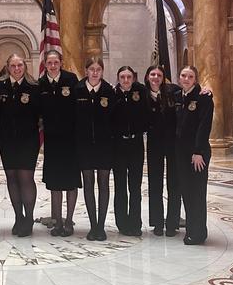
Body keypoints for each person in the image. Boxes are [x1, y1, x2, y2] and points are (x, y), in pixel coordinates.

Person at [0, 53, 40, 236]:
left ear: (25, 66)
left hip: (28, 140)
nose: (16, 69)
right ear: (8, 67)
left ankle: (28, 218)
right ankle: (18, 217)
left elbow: (41, 112)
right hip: (7, 139)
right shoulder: (0, 87)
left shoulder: (34, 87)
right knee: (11, 178)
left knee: (26, 178)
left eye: (20, 65)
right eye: (13, 66)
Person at [39, 49, 80, 237]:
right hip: (53, 142)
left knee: (71, 182)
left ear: (61, 63)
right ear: (45, 64)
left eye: (56, 62)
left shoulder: (71, 80)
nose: (53, 66)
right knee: (55, 183)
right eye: (49, 63)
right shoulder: (41, 84)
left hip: (71, 140)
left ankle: (69, 221)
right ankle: (57, 222)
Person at [74, 56, 115, 241]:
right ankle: (92, 225)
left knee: (104, 184)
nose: (95, 72)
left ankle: (101, 225)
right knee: (88, 185)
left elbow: (115, 118)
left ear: (102, 71)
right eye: (92, 69)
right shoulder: (78, 90)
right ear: (86, 71)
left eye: (98, 69)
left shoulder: (109, 91)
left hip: (105, 146)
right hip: (84, 146)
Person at [174, 65, 214, 245]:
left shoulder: (203, 98)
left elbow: (204, 126)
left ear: (195, 79)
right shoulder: (178, 96)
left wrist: (198, 151)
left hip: (197, 153)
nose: (186, 79)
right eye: (183, 75)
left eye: (190, 76)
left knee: (197, 193)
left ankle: (198, 233)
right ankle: (191, 229)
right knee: (187, 192)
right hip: (182, 154)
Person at [111, 66, 148, 237]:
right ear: (118, 78)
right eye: (122, 77)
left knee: (135, 186)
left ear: (133, 78)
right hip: (118, 146)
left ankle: (135, 222)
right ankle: (122, 223)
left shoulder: (141, 92)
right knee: (120, 186)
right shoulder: (112, 94)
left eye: (129, 77)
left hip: (136, 144)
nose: (126, 80)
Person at [144, 65, 180, 237]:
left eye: (159, 74)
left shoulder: (173, 91)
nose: (155, 77)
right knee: (155, 184)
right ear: (147, 77)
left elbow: (193, 91)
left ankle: (172, 222)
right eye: (152, 74)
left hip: (173, 144)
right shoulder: (142, 94)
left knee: (174, 184)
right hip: (154, 144)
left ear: (163, 77)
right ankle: (157, 222)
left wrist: (207, 89)